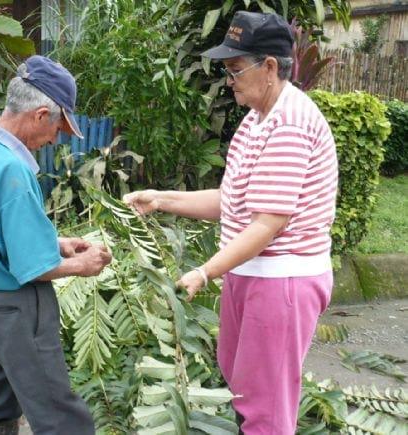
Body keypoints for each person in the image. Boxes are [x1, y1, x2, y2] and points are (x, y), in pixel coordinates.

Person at [124, 11, 338, 435]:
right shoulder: (257, 120)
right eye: (227, 69)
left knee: (265, 410)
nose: (229, 79)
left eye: (236, 69)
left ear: (270, 67)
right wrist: (161, 199)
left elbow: (266, 225)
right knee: (243, 389)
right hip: (251, 273)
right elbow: (233, 201)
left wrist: (206, 271)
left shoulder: (289, 124)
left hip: (282, 281)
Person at [0, 55, 112, 435]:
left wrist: (55, 242)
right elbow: (33, 268)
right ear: (40, 115)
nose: (55, 138)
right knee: (57, 412)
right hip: (16, 307)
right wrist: (82, 266)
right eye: (57, 127)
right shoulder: (12, 169)